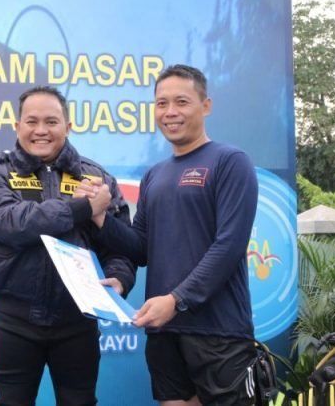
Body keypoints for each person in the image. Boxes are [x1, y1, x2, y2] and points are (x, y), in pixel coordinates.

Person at [78, 64, 259, 405]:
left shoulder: (231, 161)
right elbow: (140, 247)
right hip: (164, 330)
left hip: (218, 330)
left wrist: (176, 301)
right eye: (161, 103)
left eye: (181, 102)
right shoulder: (155, 175)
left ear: (206, 106)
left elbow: (229, 246)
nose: (170, 112)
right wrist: (100, 217)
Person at [0, 85, 136, 406]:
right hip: (14, 322)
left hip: (77, 324)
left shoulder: (97, 179)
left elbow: (121, 245)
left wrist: (120, 277)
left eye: (51, 121)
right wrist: (80, 209)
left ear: (68, 126)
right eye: (31, 121)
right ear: (17, 126)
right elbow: (7, 222)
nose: (41, 130)